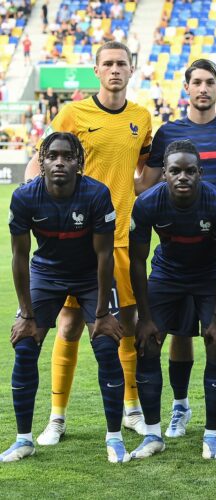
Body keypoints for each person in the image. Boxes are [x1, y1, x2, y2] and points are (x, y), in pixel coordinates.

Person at [24, 41, 152, 445]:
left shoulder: (142, 117)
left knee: (125, 322)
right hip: (77, 242)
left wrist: (144, 207)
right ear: (96, 70)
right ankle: (57, 417)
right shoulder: (73, 113)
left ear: (132, 70)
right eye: (108, 64)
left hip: (121, 238)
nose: (115, 70)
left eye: (122, 64)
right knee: (70, 323)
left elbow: (144, 173)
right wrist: (35, 199)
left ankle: (132, 409)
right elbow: (40, 160)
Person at [135, 59, 216, 439]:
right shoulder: (169, 132)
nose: (203, 88)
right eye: (196, 82)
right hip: (176, 250)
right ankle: (180, 406)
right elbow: (147, 185)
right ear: (187, 88)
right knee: (179, 335)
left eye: (209, 82)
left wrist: (213, 206)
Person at [2, 132, 129, 463]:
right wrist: (27, 315)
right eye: (53, 156)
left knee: (105, 344)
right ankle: (23, 439)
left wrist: (102, 313)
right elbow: (19, 257)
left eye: (68, 156)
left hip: (91, 275)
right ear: (41, 162)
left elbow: (104, 257)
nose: (60, 162)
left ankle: (114, 437)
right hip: (46, 273)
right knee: (26, 346)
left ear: (80, 163)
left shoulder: (96, 194)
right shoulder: (25, 197)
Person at [129, 140, 216, 460]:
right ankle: (152, 434)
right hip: (167, 274)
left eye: (190, 171)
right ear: (163, 173)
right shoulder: (147, 203)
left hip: (210, 275)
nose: (182, 176)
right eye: (175, 170)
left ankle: (213, 434)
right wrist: (145, 317)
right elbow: (137, 261)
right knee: (147, 343)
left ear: (200, 173)